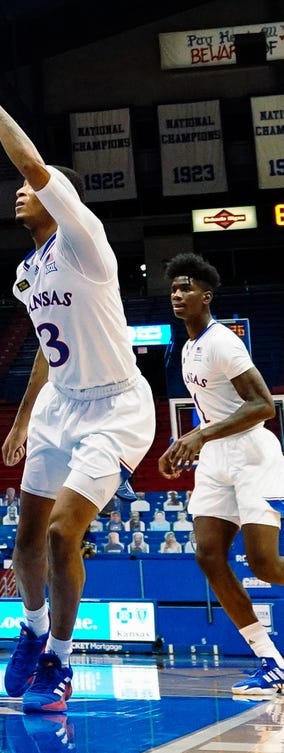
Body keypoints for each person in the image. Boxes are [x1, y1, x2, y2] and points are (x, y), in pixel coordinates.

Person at [0, 53, 156, 714]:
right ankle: (27, 631)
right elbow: (43, 353)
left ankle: (61, 657)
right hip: (59, 403)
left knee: (60, 534)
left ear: (60, 198)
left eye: (33, 187)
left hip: (115, 406)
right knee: (24, 539)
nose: (19, 191)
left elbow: (30, 166)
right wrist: (24, 419)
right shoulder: (28, 272)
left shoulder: (86, 240)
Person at [160, 252, 284, 695]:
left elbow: (262, 406)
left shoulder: (221, 342)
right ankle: (271, 661)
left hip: (252, 454)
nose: (178, 294)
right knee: (209, 557)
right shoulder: (189, 347)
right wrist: (184, 443)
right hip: (216, 458)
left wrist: (199, 436)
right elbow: (212, 411)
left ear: (205, 296)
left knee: (265, 565)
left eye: (186, 287)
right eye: (174, 288)